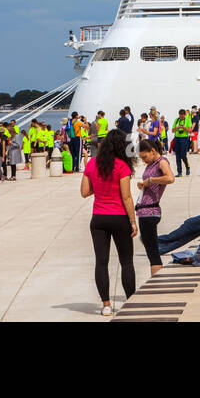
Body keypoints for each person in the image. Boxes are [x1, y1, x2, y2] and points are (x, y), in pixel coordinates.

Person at [81, 129, 138, 316]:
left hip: (98, 218)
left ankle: (106, 305)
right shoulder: (122, 166)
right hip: (119, 217)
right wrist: (132, 221)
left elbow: (84, 192)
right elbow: (127, 196)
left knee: (101, 262)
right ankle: (131, 301)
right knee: (126, 262)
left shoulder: (92, 164)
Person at [134, 138, 174, 278]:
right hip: (145, 211)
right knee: (151, 250)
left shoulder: (161, 162)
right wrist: (144, 184)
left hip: (150, 212)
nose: (144, 160)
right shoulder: (152, 163)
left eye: (144, 157)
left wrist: (151, 180)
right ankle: (157, 279)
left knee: (153, 252)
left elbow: (170, 178)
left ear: (153, 151)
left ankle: (157, 281)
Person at [172, 108, 192, 176]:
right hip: (177, 138)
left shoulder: (188, 120)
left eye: (182, 116)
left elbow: (190, 130)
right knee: (177, 156)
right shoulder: (176, 120)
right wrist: (177, 128)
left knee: (183, 155)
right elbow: (172, 130)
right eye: (180, 115)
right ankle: (179, 172)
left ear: (185, 115)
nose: (181, 117)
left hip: (184, 138)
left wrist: (184, 128)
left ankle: (187, 166)